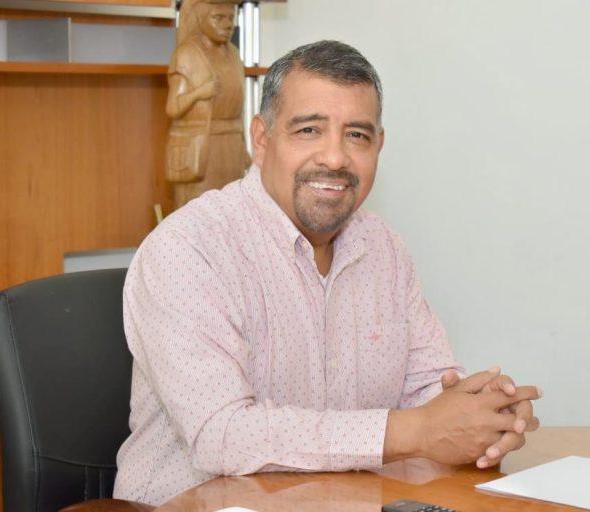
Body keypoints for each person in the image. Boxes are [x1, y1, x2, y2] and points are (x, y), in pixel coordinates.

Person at [114, 40, 541, 506]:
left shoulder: (384, 247)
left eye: (356, 135)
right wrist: (415, 430)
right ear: (261, 139)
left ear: (379, 146)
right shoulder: (189, 248)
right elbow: (221, 434)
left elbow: (429, 390)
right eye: (309, 130)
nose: (335, 157)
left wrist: (482, 413)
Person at [165, 0, 252, 208]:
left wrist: (243, 148)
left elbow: (238, 108)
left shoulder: (234, 54)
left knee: (232, 208)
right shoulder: (187, 55)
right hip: (201, 150)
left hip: (231, 147)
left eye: (231, 18)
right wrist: (199, 93)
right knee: (200, 210)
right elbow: (172, 107)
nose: (227, 24)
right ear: (201, 19)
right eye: (218, 18)